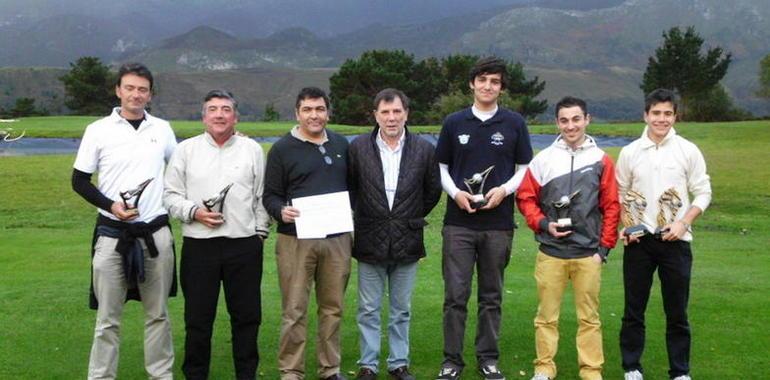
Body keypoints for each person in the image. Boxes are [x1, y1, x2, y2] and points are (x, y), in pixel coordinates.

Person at [71, 62, 176, 380]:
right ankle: (101, 377)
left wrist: (230, 138)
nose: (136, 94)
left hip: (155, 233)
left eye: (142, 89)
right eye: (129, 87)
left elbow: (184, 166)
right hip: (112, 234)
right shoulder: (98, 130)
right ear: (118, 91)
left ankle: (161, 375)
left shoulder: (162, 129)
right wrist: (111, 206)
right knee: (107, 317)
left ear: (150, 94)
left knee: (157, 314)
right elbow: (80, 181)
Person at [434, 56, 534, 380]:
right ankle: (452, 362)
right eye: (482, 80)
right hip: (459, 223)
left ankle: (488, 359)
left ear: (501, 88)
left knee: (491, 296)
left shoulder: (514, 123)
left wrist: (504, 190)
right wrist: (456, 194)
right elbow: (442, 168)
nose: (488, 86)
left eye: (494, 82)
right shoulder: (454, 123)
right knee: (455, 296)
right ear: (472, 84)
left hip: (498, 224)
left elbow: (524, 169)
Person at [163, 90, 269, 380]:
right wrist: (194, 212)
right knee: (198, 319)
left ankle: (246, 375)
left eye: (225, 109)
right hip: (200, 247)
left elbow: (261, 197)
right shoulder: (186, 150)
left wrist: (259, 234)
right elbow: (170, 196)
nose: (219, 114)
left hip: (244, 246)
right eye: (213, 109)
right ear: (204, 116)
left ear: (235, 116)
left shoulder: (252, 150)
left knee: (247, 318)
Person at [516, 96, 620, 380]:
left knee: (589, 318)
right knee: (546, 317)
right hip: (551, 252)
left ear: (587, 119)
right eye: (564, 120)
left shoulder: (601, 160)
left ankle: (591, 371)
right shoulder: (544, 159)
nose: (570, 126)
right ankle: (544, 368)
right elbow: (525, 198)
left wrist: (603, 249)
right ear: (557, 123)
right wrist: (542, 224)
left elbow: (611, 206)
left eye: (576, 119)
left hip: (588, 254)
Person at [617, 89, 712, 380]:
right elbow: (621, 193)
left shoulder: (687, 150)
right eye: (656, 113)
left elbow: (703, 192)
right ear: (646, 115)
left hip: (676, 240)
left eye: (667, 114)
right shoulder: (630, 152)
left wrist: (683, 222)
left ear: (675, 116)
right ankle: (632, 366)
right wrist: (629, 226)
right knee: (634, 310)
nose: (661, 119)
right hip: (640, 242)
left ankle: (680, 372)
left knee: (677, 312)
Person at [347, 88, 442, 380]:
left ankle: (398, 363)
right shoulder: (358, 147)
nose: (391, 118)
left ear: (406, 114)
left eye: (397, 111)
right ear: (375, 115)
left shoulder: (424, 149)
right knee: (368, 309)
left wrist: (406, 216)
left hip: (407, 238)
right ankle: (368, 364)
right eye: (385, 112)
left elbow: (432, 191)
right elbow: (351, 189)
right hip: (369, 238)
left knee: (401, 309)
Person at [262, 87, 352, 380]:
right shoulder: (281, 149)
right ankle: (291, 370)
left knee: (332, 308)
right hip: (295, 239)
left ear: (328, 111)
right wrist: (280, 211)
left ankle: (330, 368)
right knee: (294, 308)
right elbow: (270, 196)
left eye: (320, 109)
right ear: (297, 113)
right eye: (308, 109)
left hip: (337, 239)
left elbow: (355, 188)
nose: (314, 115)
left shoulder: (341, 144)